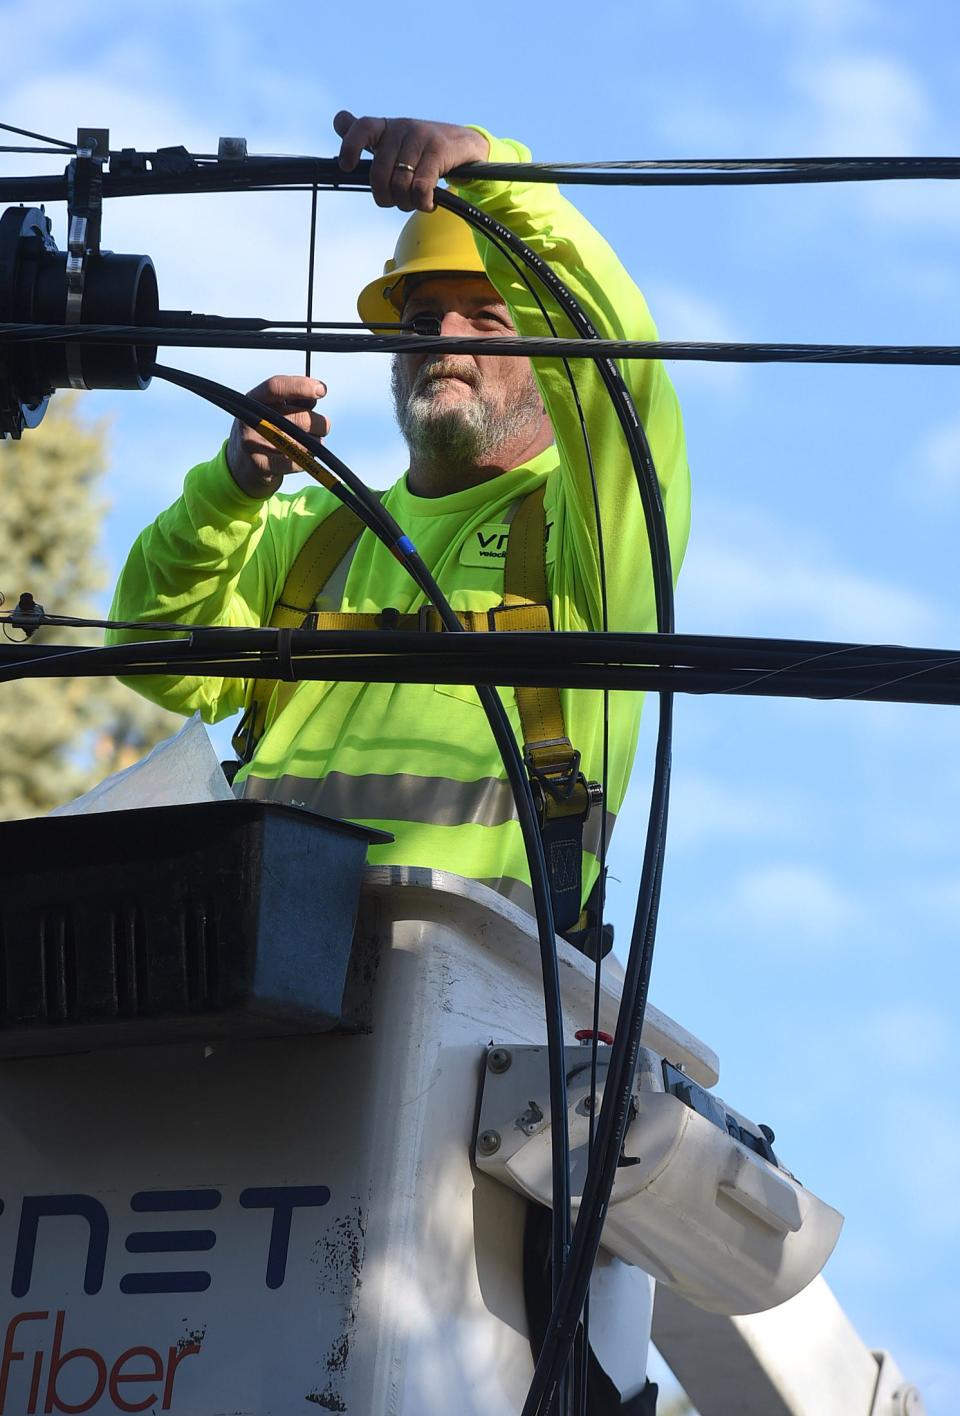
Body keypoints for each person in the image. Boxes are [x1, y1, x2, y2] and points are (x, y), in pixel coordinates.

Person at [108, 112, 691, 944]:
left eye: (486, 320)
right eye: (422, 323)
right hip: (258, 965)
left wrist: (496, 174)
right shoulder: (316, 529)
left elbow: (618, 371)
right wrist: (231, 489)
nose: (445, 342)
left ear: (545, 347)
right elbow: (150, 646)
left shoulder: (589, 531)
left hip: (473, 996)